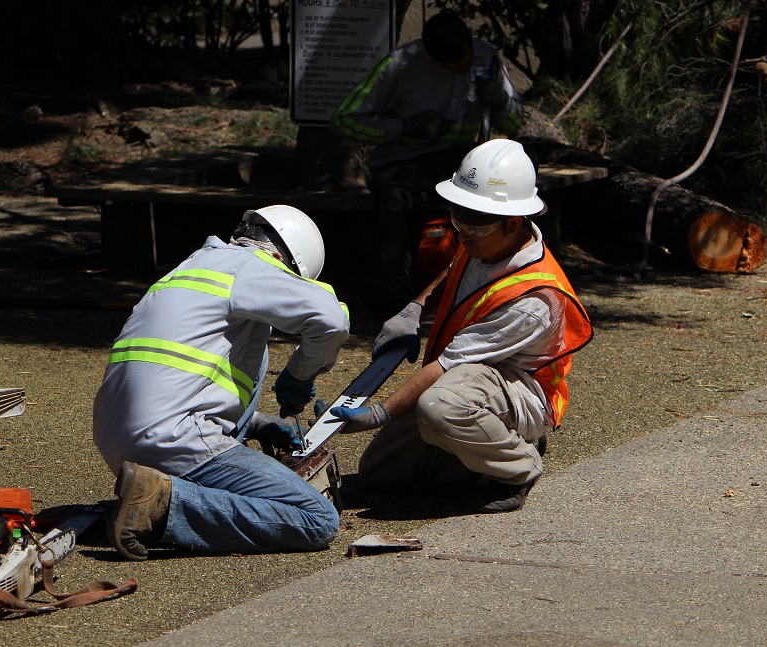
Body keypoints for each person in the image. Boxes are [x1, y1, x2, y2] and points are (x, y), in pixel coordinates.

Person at [329, 140, 593, 512]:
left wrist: (380, 414)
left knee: (439, 406)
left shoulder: (534, 299)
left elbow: (448, 364)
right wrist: (414, 309)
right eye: (458, 217)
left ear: (514, 222)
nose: (463, 232)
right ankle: (485, 449)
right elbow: (453, 273)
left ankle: (519, 466)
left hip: (520, 392)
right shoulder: (486, 240)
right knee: (379, 473)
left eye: (475, 223)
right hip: (471, 381)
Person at [93, 205, 350, 560]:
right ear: (283, 260)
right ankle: (165, 502)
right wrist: (300, 374)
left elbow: (181, 375)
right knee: (316, 519)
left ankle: (156, 491)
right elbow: (332, 319)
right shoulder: (250, 266)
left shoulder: (190, 267)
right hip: (174, 439)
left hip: (117, 440)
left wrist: (257, 422)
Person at [330, 12, 524, 309]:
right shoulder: (398, 65)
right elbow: (345, 119)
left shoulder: (487, 57)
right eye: (454, 65)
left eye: (467, 59)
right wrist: (405, 128)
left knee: (488, 198)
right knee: (392, 200)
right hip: (404, 160)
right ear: (430, 55)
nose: (465, 67)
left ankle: (491, 282)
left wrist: (500, 101)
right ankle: (394, 289)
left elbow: (514, 123)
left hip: (461, 158)